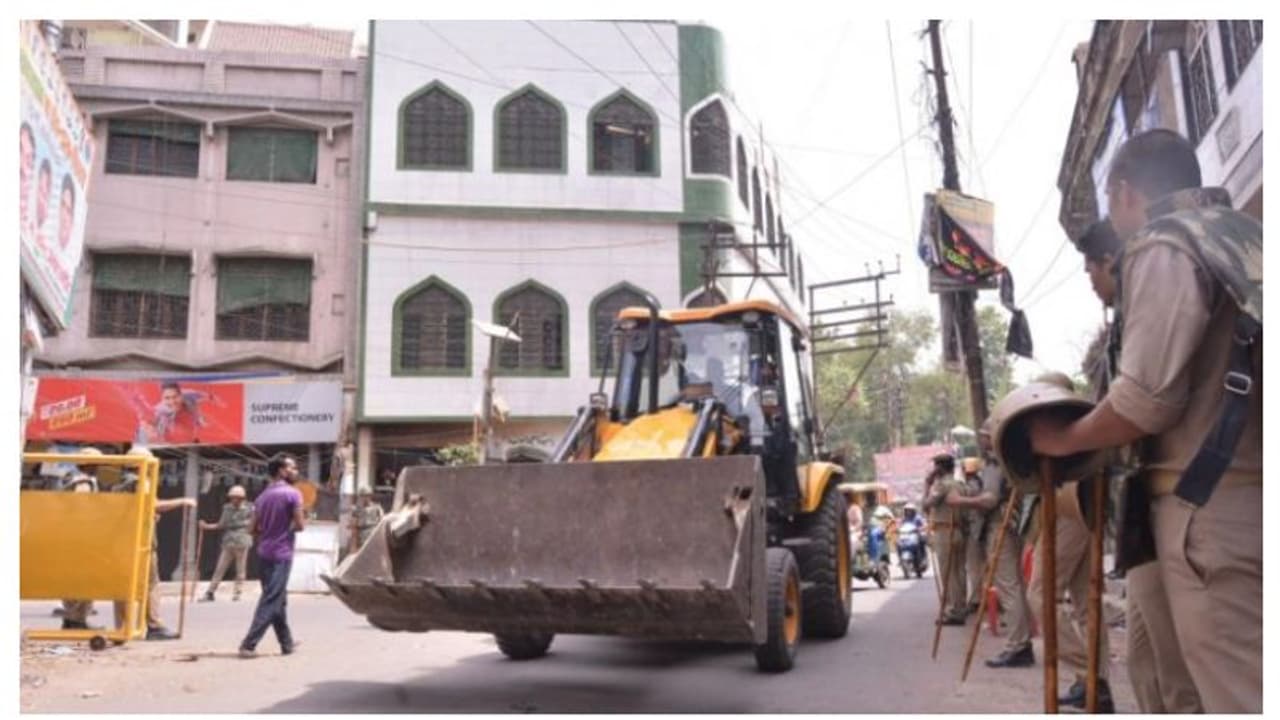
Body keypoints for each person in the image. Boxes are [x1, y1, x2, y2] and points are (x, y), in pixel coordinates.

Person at [1030, 129, 1262, 713]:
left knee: (1237, 694)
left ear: (1126, 192)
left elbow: (1144, 402)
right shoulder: (1247, 237)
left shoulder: (1165, 244)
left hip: (1212, 506)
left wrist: (1063, 438)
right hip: (1250, 494)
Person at [1077, 217, 1203, 713]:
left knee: (1177, 672)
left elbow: (1142, 405)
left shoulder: (1151, 306)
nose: (1092, 284)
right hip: (1140, 520)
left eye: (1092, 272)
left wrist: (1068, 439)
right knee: (1143, 658)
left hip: (1175, 505)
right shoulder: (1122, 324)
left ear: (1110, 263)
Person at [948, 423, 1036, 669]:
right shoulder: (1013, 457)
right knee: (1014, 584)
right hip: (1011, 524)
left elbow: (990, 499)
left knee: (1009, 586)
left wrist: (962, 501)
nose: (982, 440)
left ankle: (1018, 645)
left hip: (1001, 524)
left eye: (985, 436)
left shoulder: (998, 462)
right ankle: (1021, 641)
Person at [239, 454, 305, 658]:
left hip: (264, 552)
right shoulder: (293, 494)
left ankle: (287, 643)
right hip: (281, 553)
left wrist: (268, 532)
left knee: (278, 598)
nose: (295, 471)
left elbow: (251, 529)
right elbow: (300, 525)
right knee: (271, 599)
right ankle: (249, 644)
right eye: (292, 468)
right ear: (281, 471)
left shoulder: (261, 497)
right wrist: (287, 529)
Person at [922, 454, 969, 625]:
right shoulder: (961, 485)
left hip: (945, 532)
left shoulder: (941, 486)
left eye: (935, 466)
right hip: (959, 531)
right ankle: (961, 607)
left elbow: (925, 505)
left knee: (948, 574)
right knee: (959, 572)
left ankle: (953, 611)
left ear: (940, 468)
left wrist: (927, 484)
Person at [200, 485, 254, 602]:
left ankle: (237, 593)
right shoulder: (227, 508)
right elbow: (221, 525)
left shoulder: (250, 509)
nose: (234, 500)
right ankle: (210, 592)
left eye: (236, 498)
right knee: (220, 568)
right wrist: (207, 526)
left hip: (242, 540)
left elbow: (254, 523)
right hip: (229, 542)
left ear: (242, 498)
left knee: (240, 569)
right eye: (232, 497)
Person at [960, 458, 987, 614]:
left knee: (974, 566)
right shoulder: (980, 483)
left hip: (975, 530)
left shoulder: (971, 487)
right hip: (979, 528)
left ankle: (977, 600)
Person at [348, 487, 384, 554]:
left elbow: (382, 523)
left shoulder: (377, 508)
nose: (365, 498)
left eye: (367, 495)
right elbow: (354, 528)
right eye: (362, 496)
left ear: (370, 496)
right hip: (362, 536)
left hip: (374, 535)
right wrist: (354, 545)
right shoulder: (356, 510)